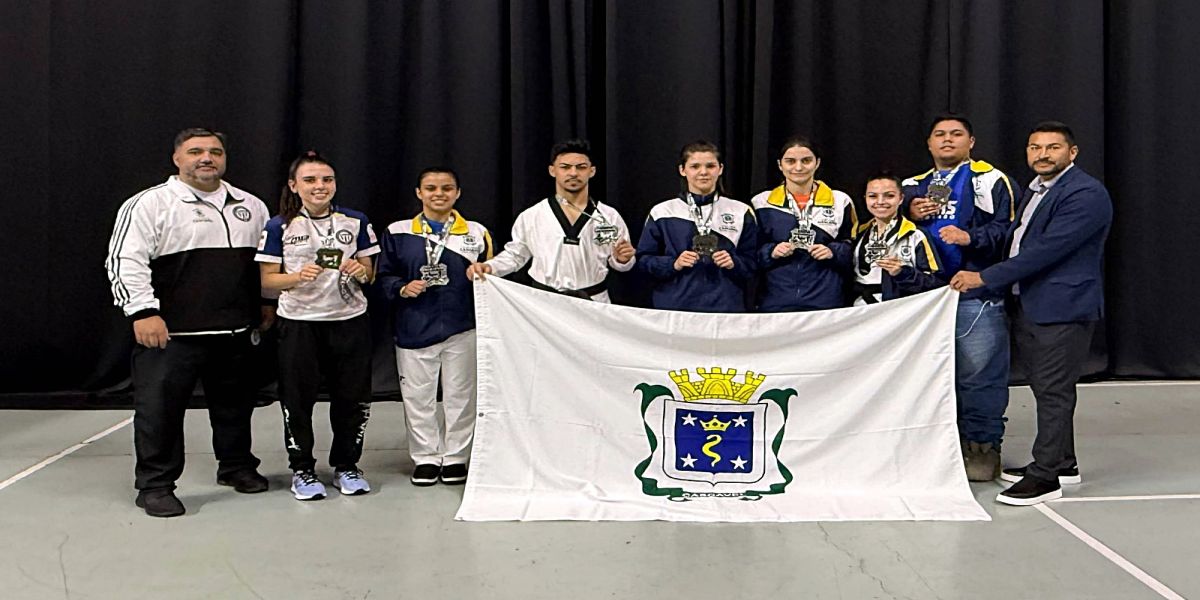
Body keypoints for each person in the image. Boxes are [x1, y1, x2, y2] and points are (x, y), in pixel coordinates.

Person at [104, 128, 273, 517]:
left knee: (235, 407)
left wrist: (266, 303)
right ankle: (155, 485)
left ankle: (235, 467)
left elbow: (266, 264)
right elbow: (124, 261)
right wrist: (143, 312)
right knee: (159, 411)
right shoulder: (150, 204)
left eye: (215, 151)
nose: (206, 158)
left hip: (235, 330)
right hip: (172, 333)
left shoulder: (251, 205)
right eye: (195, 151)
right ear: (176, 158)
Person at [951, 121, 1112, 506]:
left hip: (1063, 307)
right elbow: (1016, 238)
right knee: (1045, 388)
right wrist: (972, 239)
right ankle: (1064, 463)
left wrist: (983, 278)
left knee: (1054, 392)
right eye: (1035, 147)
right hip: (1031, 303)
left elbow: (1045, 252)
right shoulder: (1036, 191)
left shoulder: (1086, 194)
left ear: (1072, 153)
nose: (1042, 154)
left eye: (1052, 148)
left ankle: (1045, 477)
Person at [256, 151, 379, 501]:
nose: (319, 186)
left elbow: (370, 274)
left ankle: (347, 466)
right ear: (294, 186)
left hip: (349, 322)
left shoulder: (355, 221)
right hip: (299, 325)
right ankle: (303, 470)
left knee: (352, 400)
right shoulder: (278, 225)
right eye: (310, 180)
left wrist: (361, 271)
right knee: (297, 400)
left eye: (326, 179)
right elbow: (266, 282)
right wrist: (295, 277)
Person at [904, 115, 1016, 481]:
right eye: (940, 135)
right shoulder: (912, 186)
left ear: (971, 142)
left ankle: (981, 447)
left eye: (956, 134)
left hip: (973, 293)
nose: (947, 140)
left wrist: (973, 238)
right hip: (921, 297)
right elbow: (884, 226)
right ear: (928, 143)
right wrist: (909, 213)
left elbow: (1012, 231)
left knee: (978, 375)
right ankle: (928, 445)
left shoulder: (990, 180)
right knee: (917, 375)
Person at [378, 167, 493, 486]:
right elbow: (383, 276)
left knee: (461, 395)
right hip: (414, 327)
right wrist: (402, 288)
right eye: (431, 188)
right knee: (418, 397)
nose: (438, 193)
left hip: (463, 326)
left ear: (457, 193)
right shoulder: (398, 231)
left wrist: (484, 274)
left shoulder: (475, 232)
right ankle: (426, 457)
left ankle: (456, 457)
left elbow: (493, 275)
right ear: (419, 193)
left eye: (446, 188)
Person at [465, 139, 634, 302]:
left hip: (594, 300)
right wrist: (490, 267)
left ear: (592, 171)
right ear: (552, 170)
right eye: (565, 167)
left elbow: (622, 264)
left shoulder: (608, 216)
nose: (573, 173)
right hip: (545, 304)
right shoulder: (532, 215)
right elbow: (516, 256)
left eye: (581, 167)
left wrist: (623, 259)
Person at [635, 140, 758, 312]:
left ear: (720, 169)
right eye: (695, 166)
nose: (703, 172)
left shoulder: (740, 211)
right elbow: (643, 260)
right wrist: (673, 264)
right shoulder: (662, 211)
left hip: (726, 307)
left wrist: (734, 263)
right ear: (682, 170)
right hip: (676, 308)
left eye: (710, 166)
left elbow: (754, 263)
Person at [750, 136, 857, 311]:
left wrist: (833, 252)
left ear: (817, 163)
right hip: (776, 299)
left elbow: (853, 246)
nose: (798, 167)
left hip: (825, 300)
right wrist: (772, 252)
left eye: (806, 161)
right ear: (780, 165)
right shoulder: (761, 203)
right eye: (790, 161)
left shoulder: (840, 200)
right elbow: (750, 252)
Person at [844, 173, 942, 303]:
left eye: (889, 196)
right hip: (860, 310)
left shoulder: (915, 235)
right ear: (865, 198)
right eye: (873, 196)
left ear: (901, 198)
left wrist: (903, 273)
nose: (880, 202)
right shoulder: (858, 233)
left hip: (898, 310)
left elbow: (936, 283)